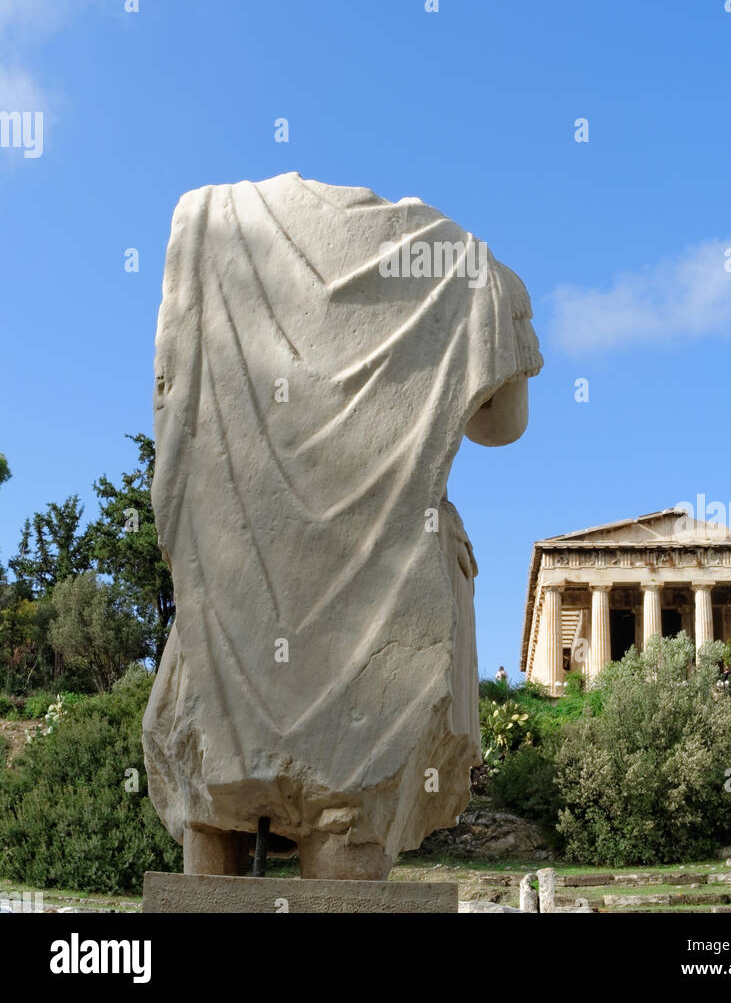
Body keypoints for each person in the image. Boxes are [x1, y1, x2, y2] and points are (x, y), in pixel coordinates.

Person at [142, 172, 542, 879]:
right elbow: (502, 426)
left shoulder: (214, 216)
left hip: (236, 612)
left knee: (212, 829)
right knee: (349, 823)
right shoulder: (459, 258)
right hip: (378, 621)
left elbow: (174, 400)